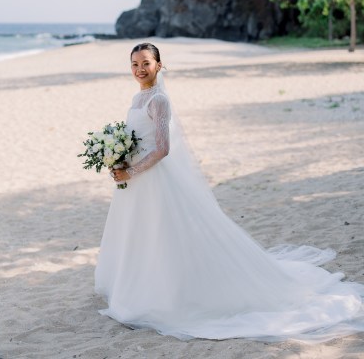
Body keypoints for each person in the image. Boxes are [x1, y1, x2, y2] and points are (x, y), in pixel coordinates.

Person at [95, 42, 364, 342]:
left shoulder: (158, 99)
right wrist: (118, 158)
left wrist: (131, 170)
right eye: (134, 64)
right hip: (137, 181)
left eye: (145, 62)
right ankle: (138, 285)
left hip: (153, 177)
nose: (139, 69)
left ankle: (165, 294)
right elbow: (136, 138)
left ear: (158, 65)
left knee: (164, 233)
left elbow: (163, 148)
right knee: (142, 234)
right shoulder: (137, 97)